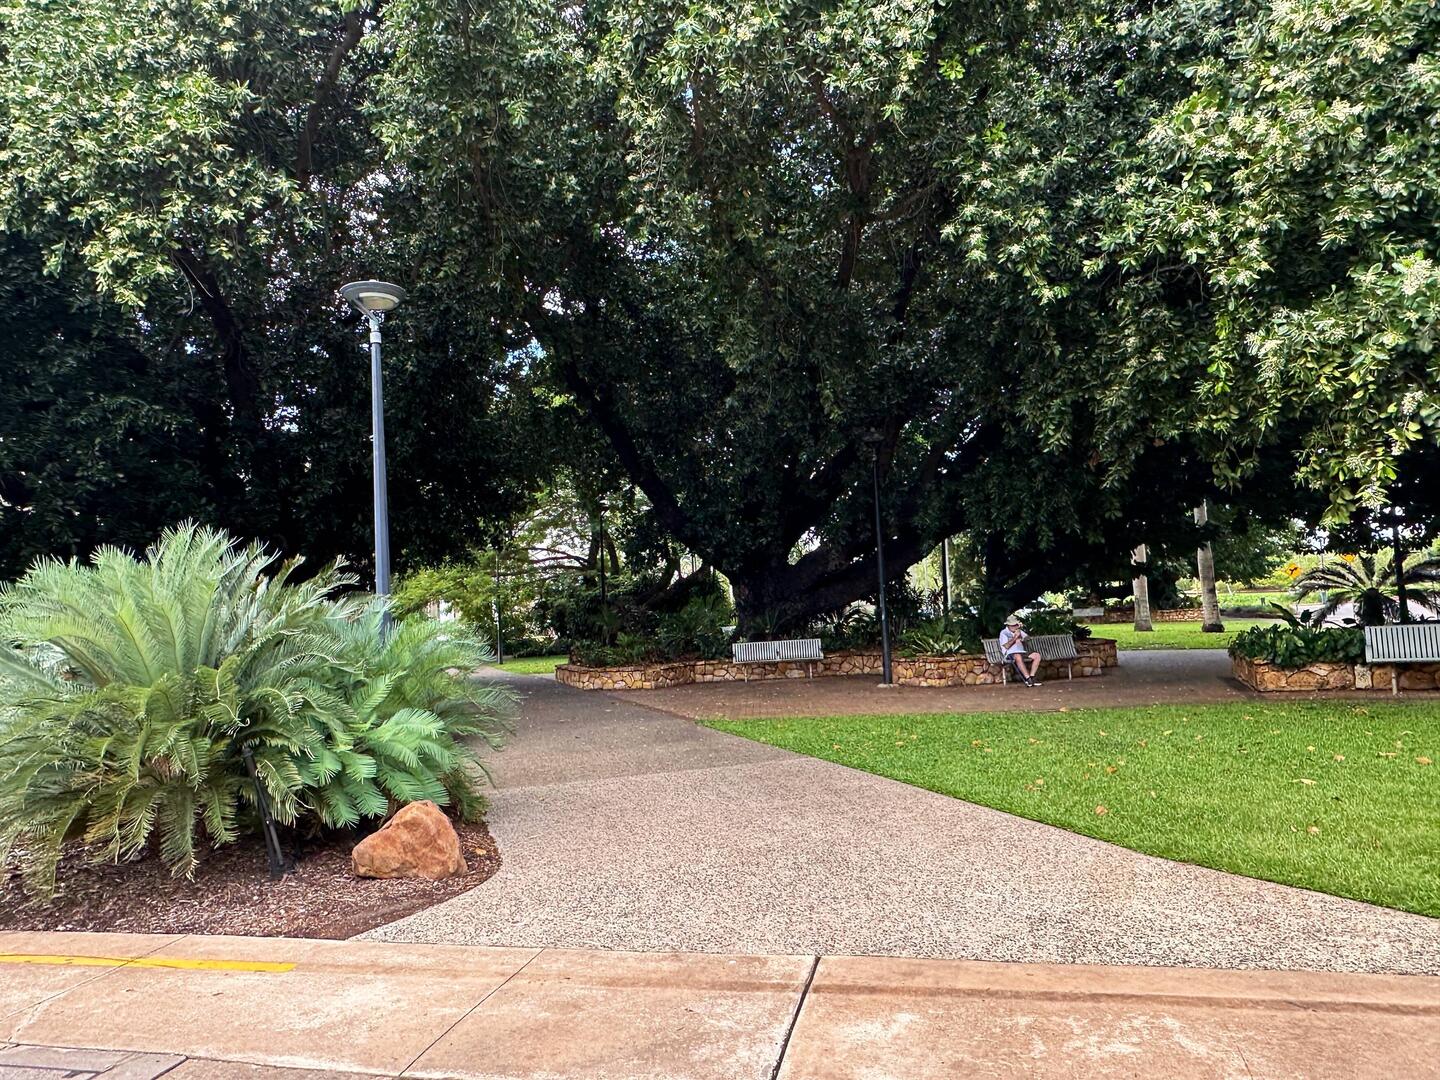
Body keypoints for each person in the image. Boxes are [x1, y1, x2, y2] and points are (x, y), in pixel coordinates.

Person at [999, 615, 1042, 686]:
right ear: (1008, 625)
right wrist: (1015, 638)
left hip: (1022, 652)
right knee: (1018, 656)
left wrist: (1021, 639)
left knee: (1037, 656)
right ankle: (1028, 679)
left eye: (1016, 625)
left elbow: (1028, 638)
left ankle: (1032, 677)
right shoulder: (1004, 633)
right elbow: (1006, 646)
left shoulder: (1019, 631)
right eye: (1013, 625)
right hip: (1010, 653)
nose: (1015, 626)